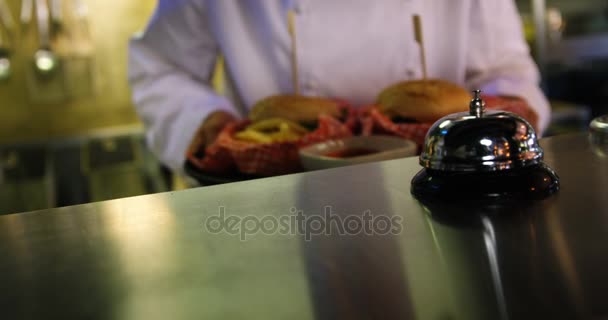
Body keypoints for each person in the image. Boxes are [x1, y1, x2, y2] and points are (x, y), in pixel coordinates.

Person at [128, 0, 550, 172]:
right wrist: (205, 121)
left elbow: (506, 72)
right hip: (279, 205)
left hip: (441, 191)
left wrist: (495, 112)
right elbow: (160, 65)